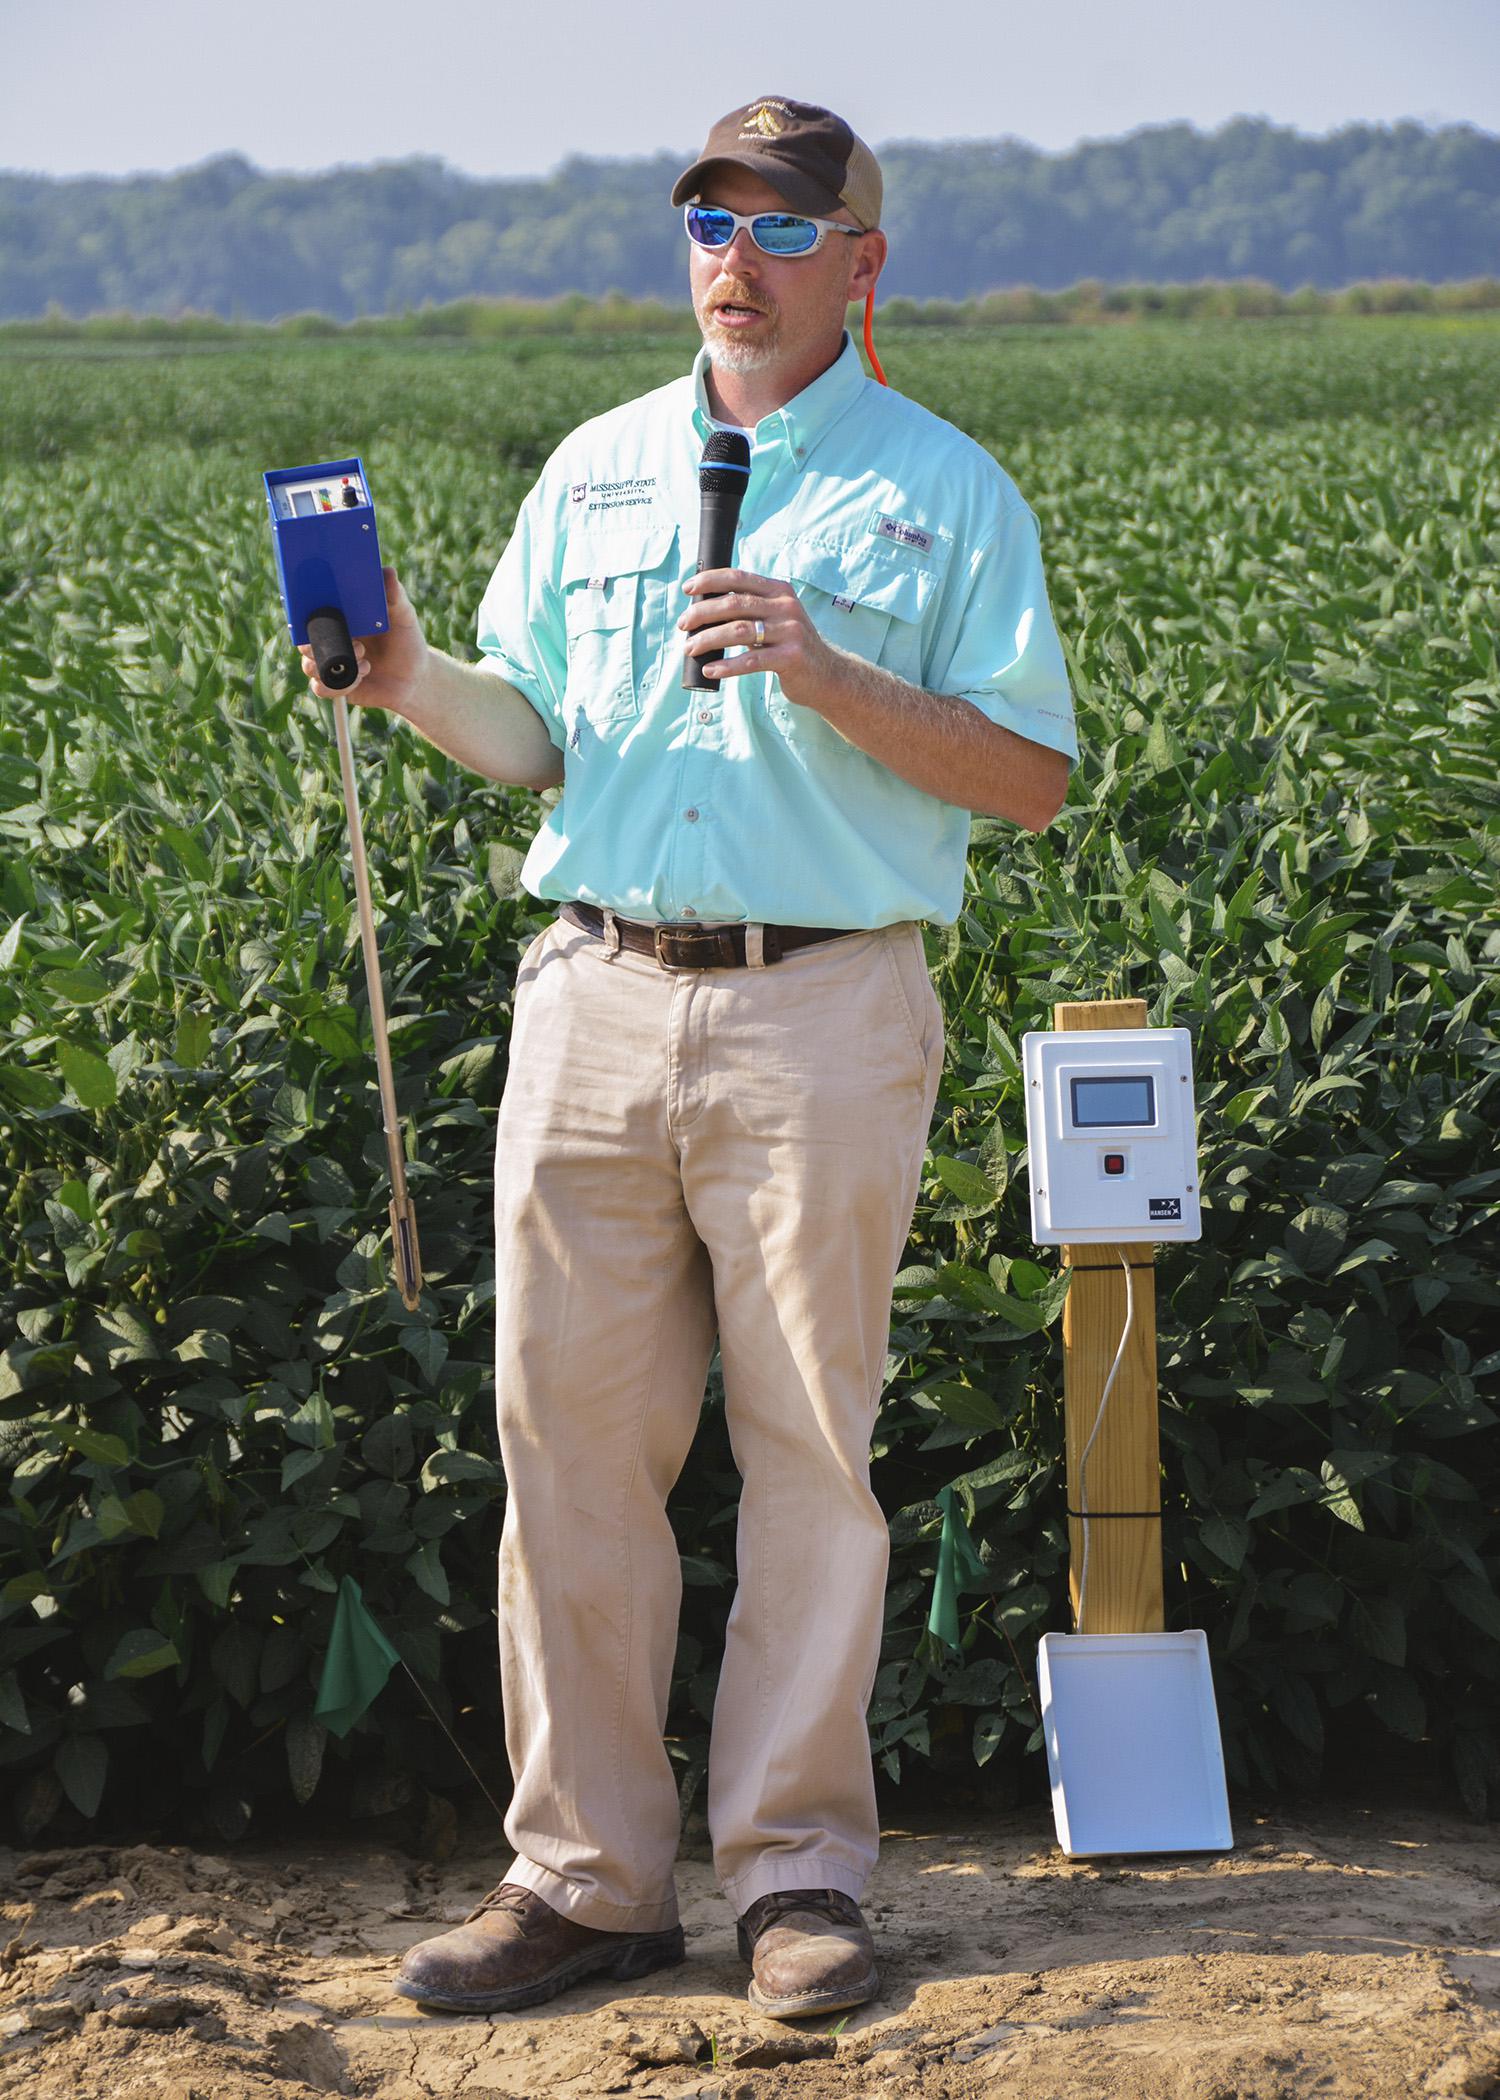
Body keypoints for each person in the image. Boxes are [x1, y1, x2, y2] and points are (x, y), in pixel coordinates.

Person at [301, 95, 1078, 2024]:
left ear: (861, 262)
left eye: (782, 226)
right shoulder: (596, 467)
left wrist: (827, 669)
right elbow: (536, 737)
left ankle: (801, 1881)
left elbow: (1036, 781)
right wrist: (406, 679)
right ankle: (584, 1880)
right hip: (594, 997)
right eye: (710, 221)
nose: (736, 256)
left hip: (825, 1005)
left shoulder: (946, 490)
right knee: (563, 1453)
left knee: (810, 1451)